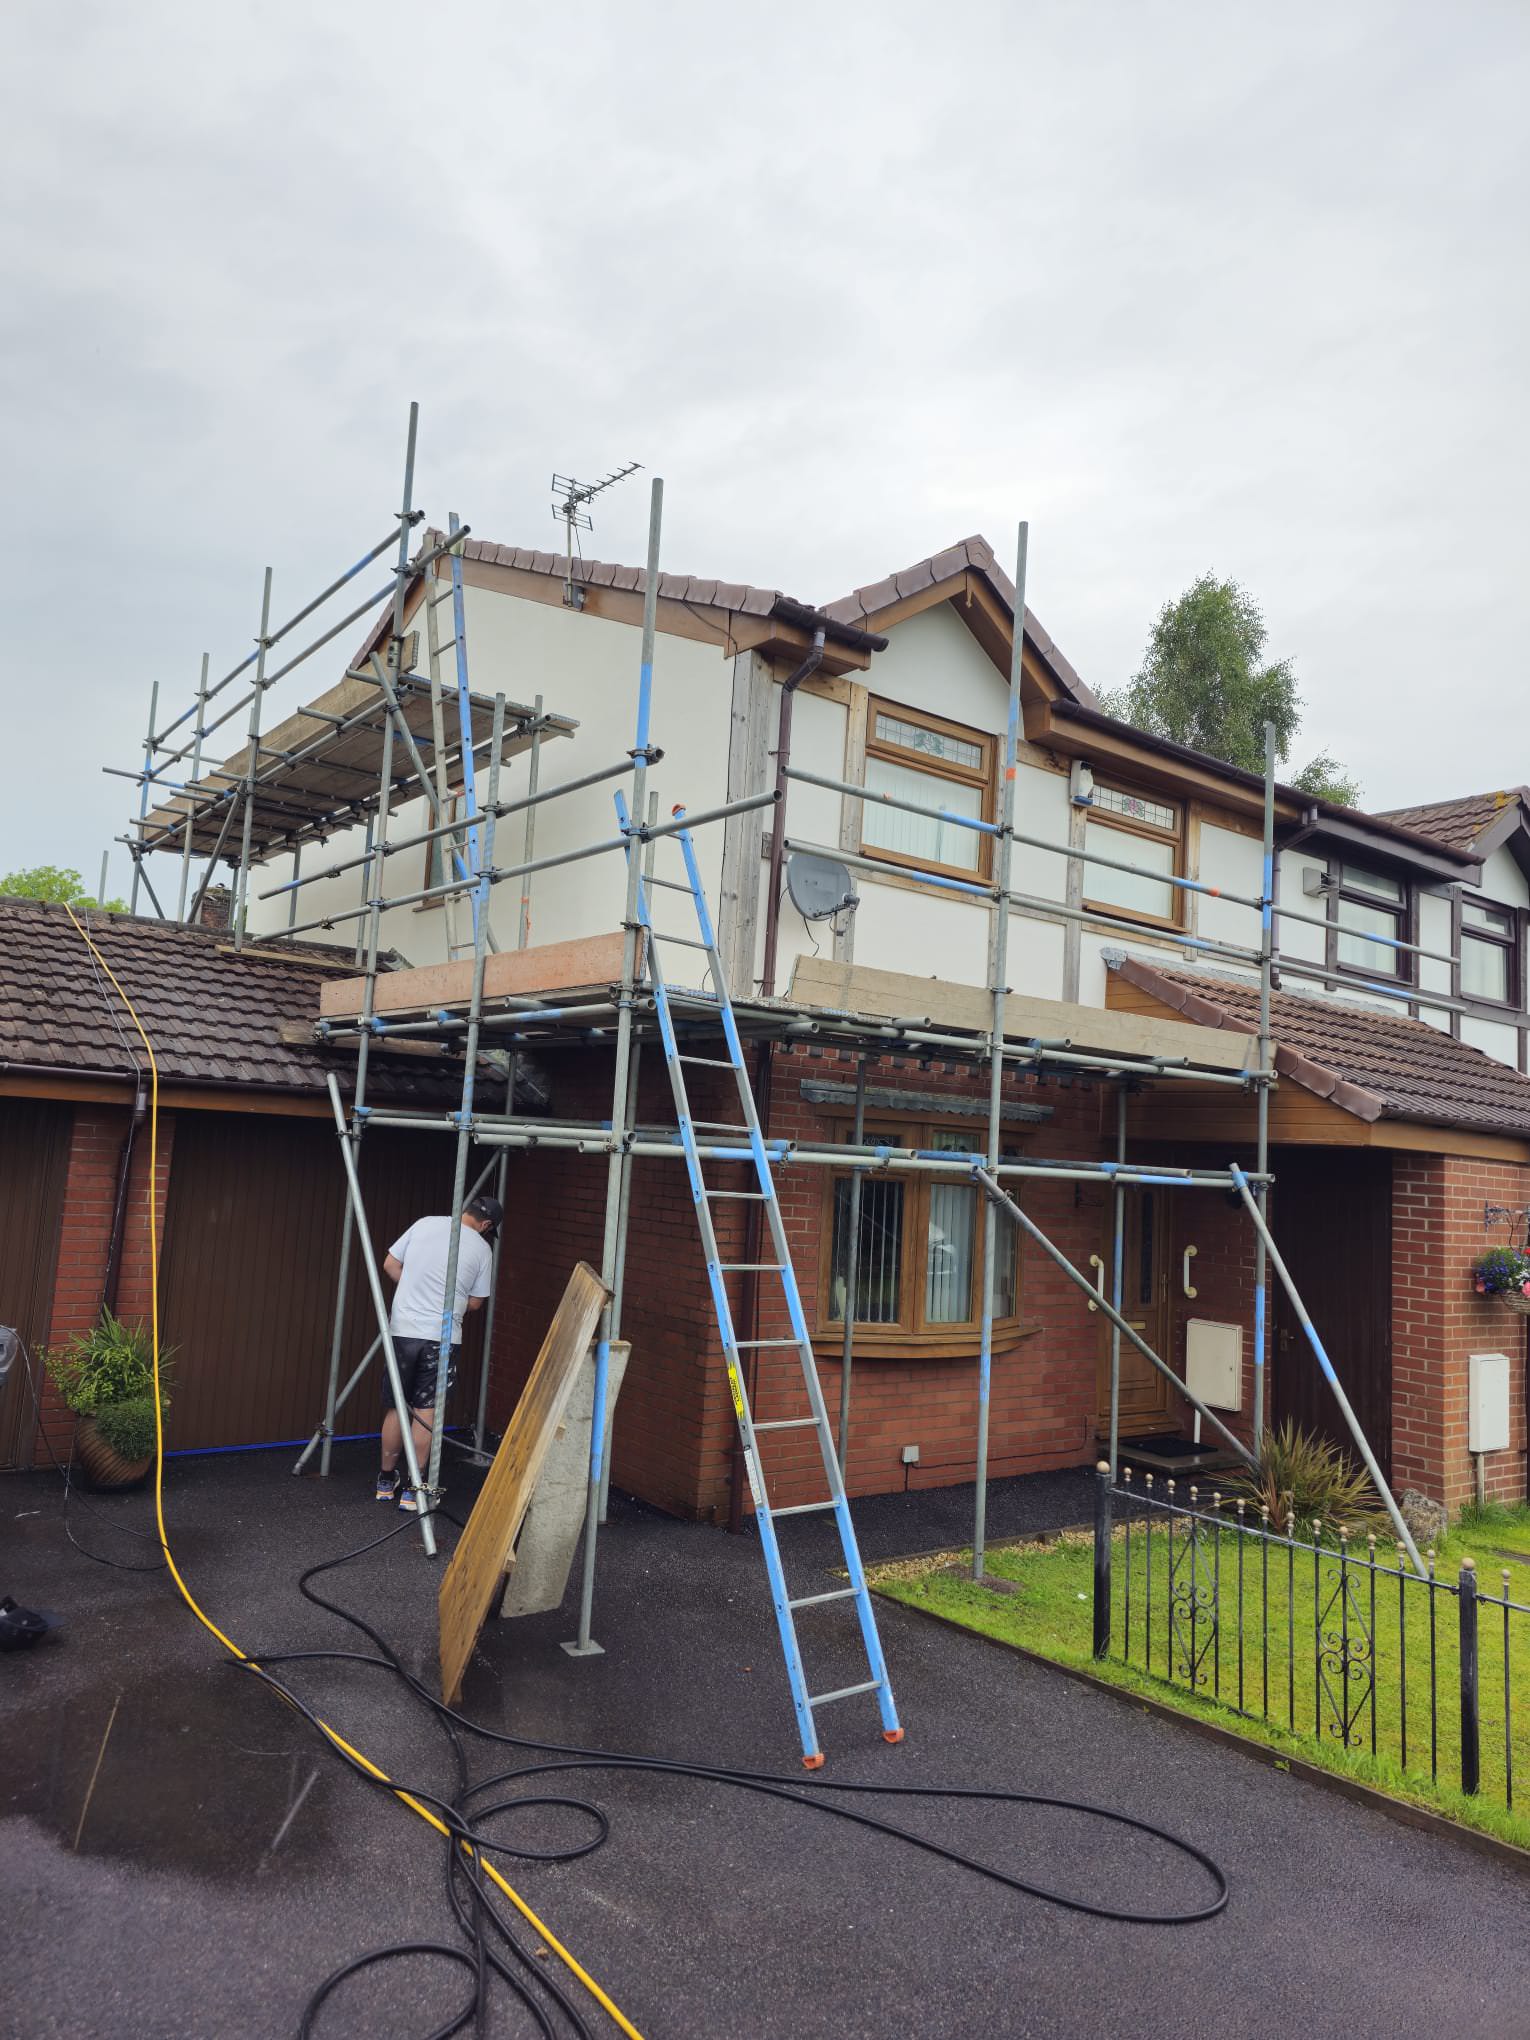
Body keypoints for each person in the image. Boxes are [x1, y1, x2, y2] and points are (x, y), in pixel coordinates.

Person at [375, 1193, 501, 1509]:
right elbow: (475, 1302)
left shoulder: (424, 1224)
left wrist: (413, 1288)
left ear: (465, 1211)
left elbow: (390, 1263)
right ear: (486, 1224)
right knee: (426, 1410)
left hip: (403, 1330)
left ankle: (385, 1480)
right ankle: (414, 1491)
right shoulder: (483, 1249)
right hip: (441, 1338)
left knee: (396, 1407)